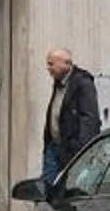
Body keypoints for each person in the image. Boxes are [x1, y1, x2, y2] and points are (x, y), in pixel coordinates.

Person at [41, 47, 101, 186]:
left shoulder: (83, 84)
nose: (48, 68)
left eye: (51, 64)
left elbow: (89, 120)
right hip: (53, 146)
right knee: (48, 187)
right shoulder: (58, 82)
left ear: (66, 64)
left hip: (71, 149)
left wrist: (80, 150)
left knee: (68, 188)